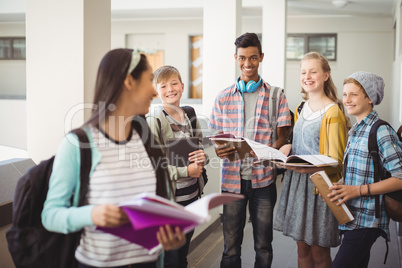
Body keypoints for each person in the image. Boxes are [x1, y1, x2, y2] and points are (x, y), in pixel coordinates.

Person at [41, 49, 186, 268]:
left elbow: (158, 211)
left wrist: (169, 234)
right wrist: (92, 215)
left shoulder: (148, 143)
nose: (155, 92)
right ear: (129, 82)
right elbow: (50, 215)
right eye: (149, 80)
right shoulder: (79, 144)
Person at [209, 32, 292, 268]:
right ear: (236, 58)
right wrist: (220, 150)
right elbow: (217, 140)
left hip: (263, 181)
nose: (248, 64)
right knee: (230, 249)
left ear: (261, 57)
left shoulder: (276, 95)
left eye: (253, 58)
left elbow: (282, 137)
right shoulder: (223, 98)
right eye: (243, 58)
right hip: (232, 181)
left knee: (263, 247)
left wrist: (264, 153)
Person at [273, 51, 348, 268]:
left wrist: (307, 168)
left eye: (313, 71)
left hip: (320, 188)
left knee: (319, 251)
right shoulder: (300, 108)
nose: (307, 76)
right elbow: (301, 144)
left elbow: (336, 159)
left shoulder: (333, 112)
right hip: (297, 186)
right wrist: (288, 146)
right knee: (302, 248)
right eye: (303, 72)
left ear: (326, 75)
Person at [329, 71, 402, 267]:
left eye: (353, 94)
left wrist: (358, 190)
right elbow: (362, 172)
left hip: (368, 220)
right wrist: (339, 186)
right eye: (345, 94)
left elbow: (400, 177)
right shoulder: (355, 131)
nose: (347, 100)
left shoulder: (381, 131)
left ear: (370, 98)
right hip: (352, 217)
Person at [146, 65, 208, 268]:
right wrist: (185, 171)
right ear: (156, 91)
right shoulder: (155, 119)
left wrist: (203, 158)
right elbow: (153, 165)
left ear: (182, 86)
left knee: (182, 254)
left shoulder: (190, 114)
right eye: (163, 86)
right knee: (171, 258)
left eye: (174, 83)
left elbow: (199, 150)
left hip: (191, 197)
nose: (170, 89)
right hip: (171, 202)